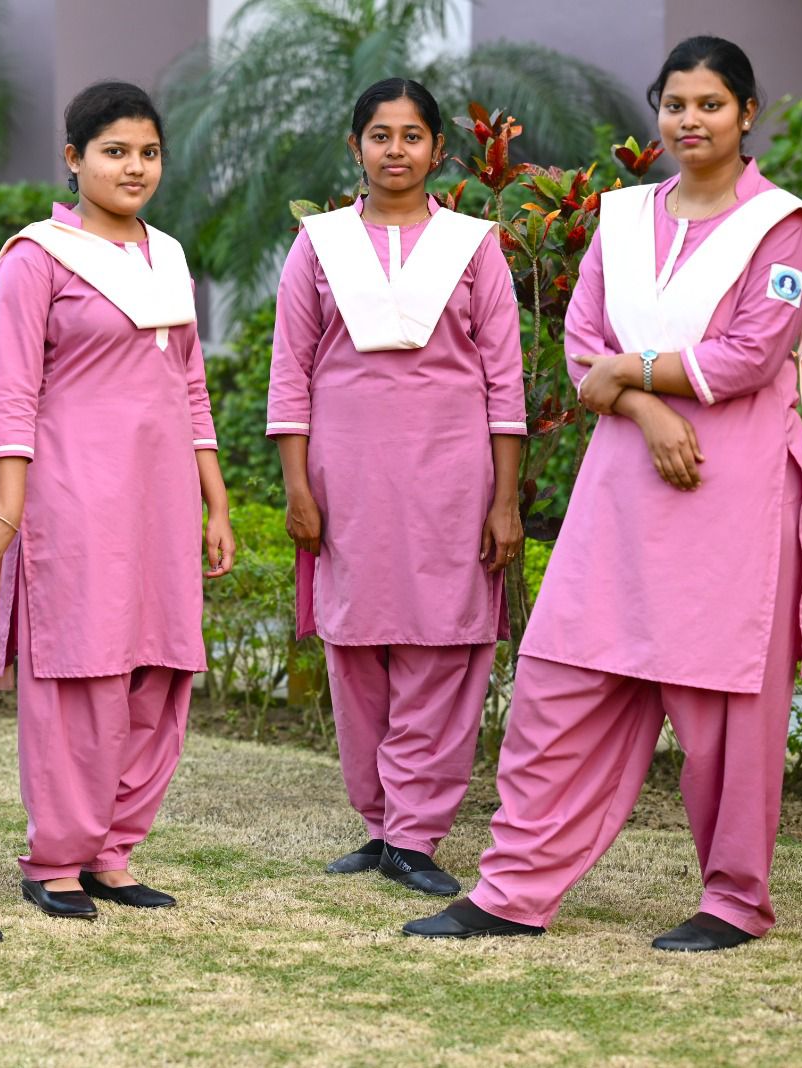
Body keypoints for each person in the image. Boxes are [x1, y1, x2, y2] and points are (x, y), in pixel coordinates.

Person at [404, 36, 802, 950]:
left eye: (711, 104)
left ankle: (733, 902)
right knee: (560, 683)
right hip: (622, 486)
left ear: (747, 114)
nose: (691, 120)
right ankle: (511, 891)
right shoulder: (623, 217)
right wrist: (645, 408)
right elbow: (583, 348)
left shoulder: (784, 229)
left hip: (731, 493)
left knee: (725, 713)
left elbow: (752, 352)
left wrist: (631, 373)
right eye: (676, 104)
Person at [0, 80, 235, 920]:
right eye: (115, 151)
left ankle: (113, 852)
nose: (134, 168)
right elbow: (13, 395)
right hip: (74, 497)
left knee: (160, 668)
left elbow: (191, 388)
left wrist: (216, 502)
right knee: (79, 672)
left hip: (163, 500)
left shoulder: (169, 256)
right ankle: (55, 858)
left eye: (148, 153)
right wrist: (8, 513)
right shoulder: (36, 257)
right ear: (73, 158)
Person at [266, 78, 526, 897]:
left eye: (412, 136)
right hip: (346, 483)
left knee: (441, 647)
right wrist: (297, 488)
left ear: (438, 150)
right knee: (356, 649)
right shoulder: (320, 245)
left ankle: (415, 834)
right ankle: (379, 826)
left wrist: (505, 500)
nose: (396, 150)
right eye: (380, 135)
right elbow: (290, 374)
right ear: (356, 147)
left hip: (453, 481)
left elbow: (505, 382)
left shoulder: (473, 246)